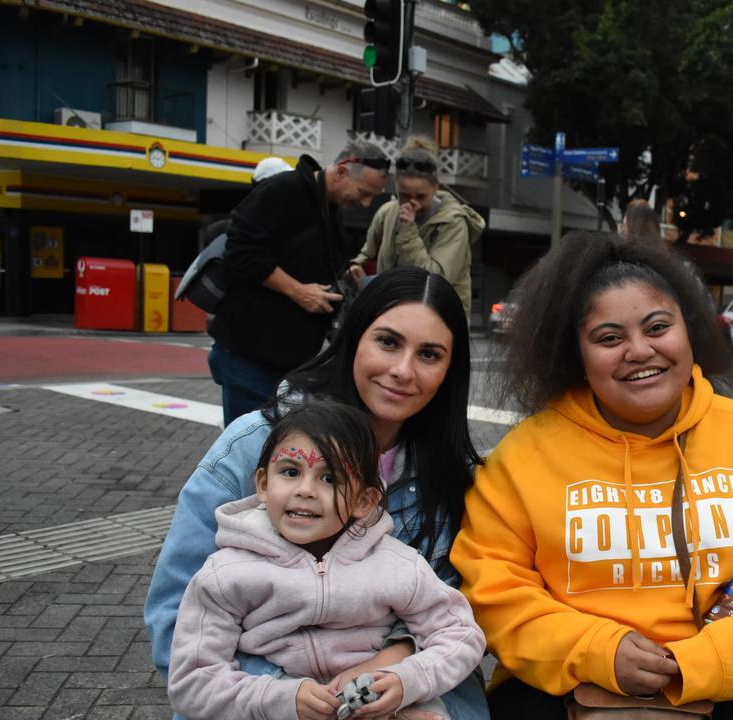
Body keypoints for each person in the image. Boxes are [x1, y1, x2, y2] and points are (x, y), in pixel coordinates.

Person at [450, 232, 733, 719]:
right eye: (609, 338)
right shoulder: (522, 455)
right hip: (568, 682)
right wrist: (598, 650)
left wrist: (707, 658)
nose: (639, 351)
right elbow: (492, 588)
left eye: (658, 327)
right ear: (577, 355)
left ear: (688, 330)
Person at [145, 266, 490, 720]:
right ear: (352, 340)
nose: (402, 370)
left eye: (429, 354)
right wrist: (286, 696)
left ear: (450, 370)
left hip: (396, 687)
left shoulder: (452, 474)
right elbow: (174, 619)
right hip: (255, 691)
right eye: (387, 342)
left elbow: (452, 616)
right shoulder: (252, 444)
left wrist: (388, 668)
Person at [168, 402, 485, 720]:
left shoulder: (399, 565)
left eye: (330, 479)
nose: (305, 490)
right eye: (290, 472)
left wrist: (408, 681)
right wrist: (277, 699)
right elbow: (192, 681)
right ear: (263, 484)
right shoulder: (225, 575)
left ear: (364, 500)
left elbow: (462, 635)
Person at [208, 140, 391, 426]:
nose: (366, 203)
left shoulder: (330, 209)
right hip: (249, 358)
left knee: (276, 454)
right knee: (250, 453)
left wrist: (345, 272)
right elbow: (241, 251)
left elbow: (306, 260)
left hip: (288, 364)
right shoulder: (283, 190)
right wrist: (298, 292)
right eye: (364, 193)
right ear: (341, 172)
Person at [348, 137, 484, 315]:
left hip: (436, 319)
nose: (412, 203)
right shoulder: (388, 212)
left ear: (436, 187)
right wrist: (356, 265)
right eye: (404, 195)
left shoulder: (454, 222)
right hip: (388, 311)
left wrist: (408, 232)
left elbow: (436, 280)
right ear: (396, 187)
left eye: (420, 196)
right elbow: (368, 254)